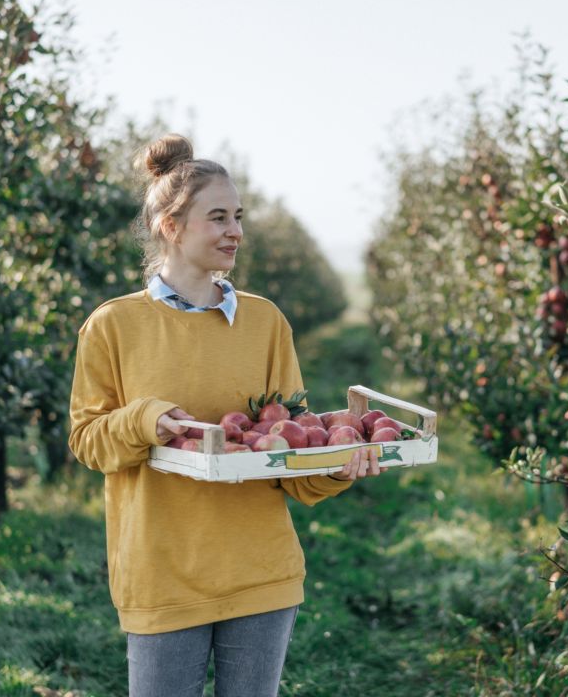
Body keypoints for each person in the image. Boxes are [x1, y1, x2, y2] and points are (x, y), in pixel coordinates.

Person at [68, 133, 385, 697]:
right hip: (163, 575)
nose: (235, 230)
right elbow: (88, 441)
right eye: (218, 217)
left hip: (262, 573)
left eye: (237, 216)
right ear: (171, 226)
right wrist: (147, 419)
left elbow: (290, 453)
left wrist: (337, 468)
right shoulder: (113, 326)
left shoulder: (265, 324)